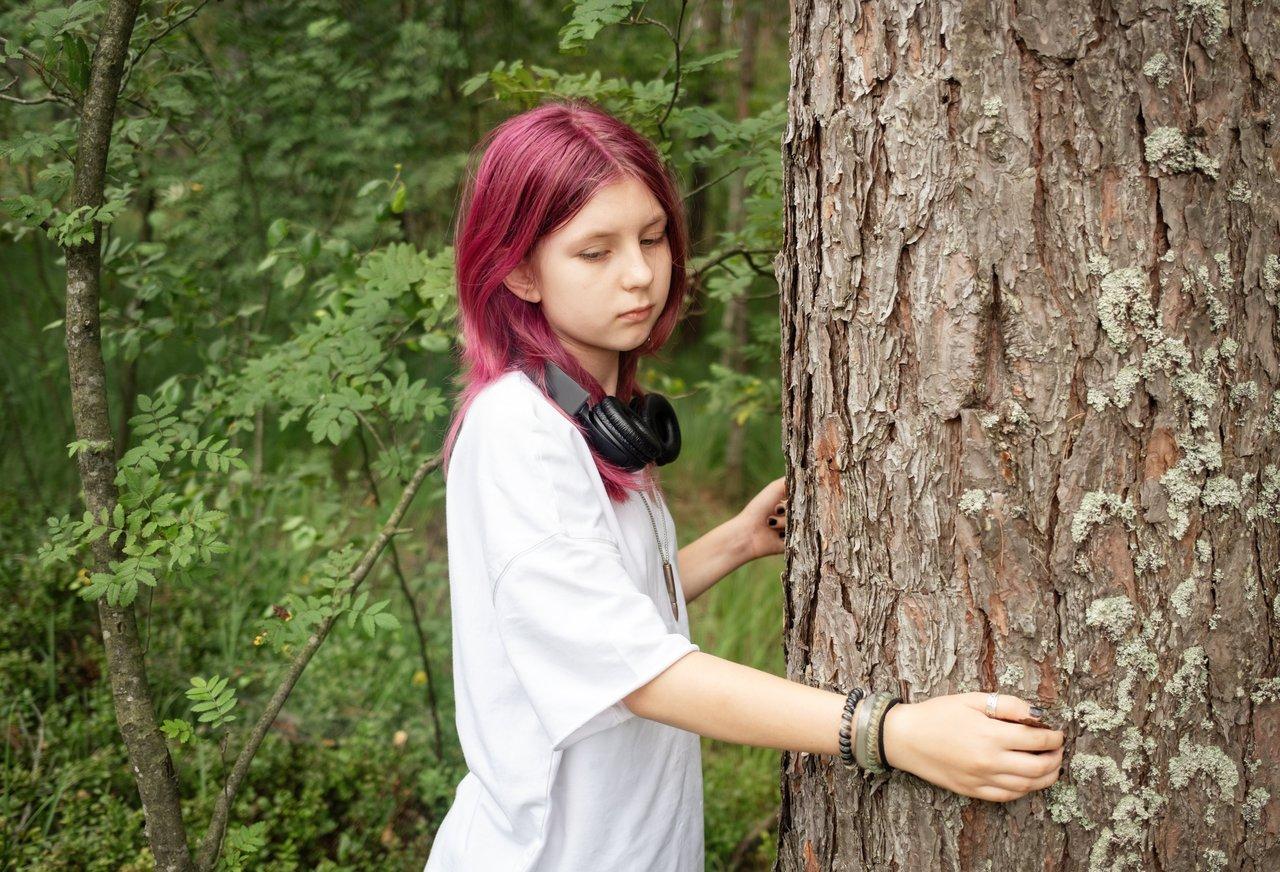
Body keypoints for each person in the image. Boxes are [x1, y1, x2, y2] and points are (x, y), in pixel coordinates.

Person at [423, 99, 1063, 872]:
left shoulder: (596, 420)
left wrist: (734, 541)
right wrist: (893, 733)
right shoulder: (519, 434)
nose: (640, 273)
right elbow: (636, 673)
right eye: (594, 252)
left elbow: (596, 609)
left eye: (652, 237)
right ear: (521, 271)